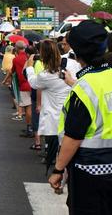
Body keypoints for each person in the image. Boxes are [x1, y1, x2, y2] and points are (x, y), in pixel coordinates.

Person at [49, 21, 112, 214]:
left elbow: (74, 137)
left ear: (77, 55)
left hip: (91, 172)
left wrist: (58, 170)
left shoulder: (84, 88)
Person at [2, 41, 32, 137]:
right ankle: (33, 128)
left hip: (24, 85)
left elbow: (11, 71)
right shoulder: (30, 57)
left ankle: (29, 128)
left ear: (16, 48)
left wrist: (4, 80)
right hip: (34, 84)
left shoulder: (16, 59)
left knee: (28, 107)